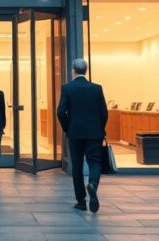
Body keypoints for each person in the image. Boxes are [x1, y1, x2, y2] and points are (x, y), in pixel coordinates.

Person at [56, 59, 108, 214]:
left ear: (73, 71)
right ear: (85, 70)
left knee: (77, 167)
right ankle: (92, 184)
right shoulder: (97, 88)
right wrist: (100, 128)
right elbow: (104, 113)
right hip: (94, 133)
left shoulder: (67, 88)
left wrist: (67, 128)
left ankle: (81, 201)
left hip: (75, 133)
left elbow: (60, 112)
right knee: (95, 162)